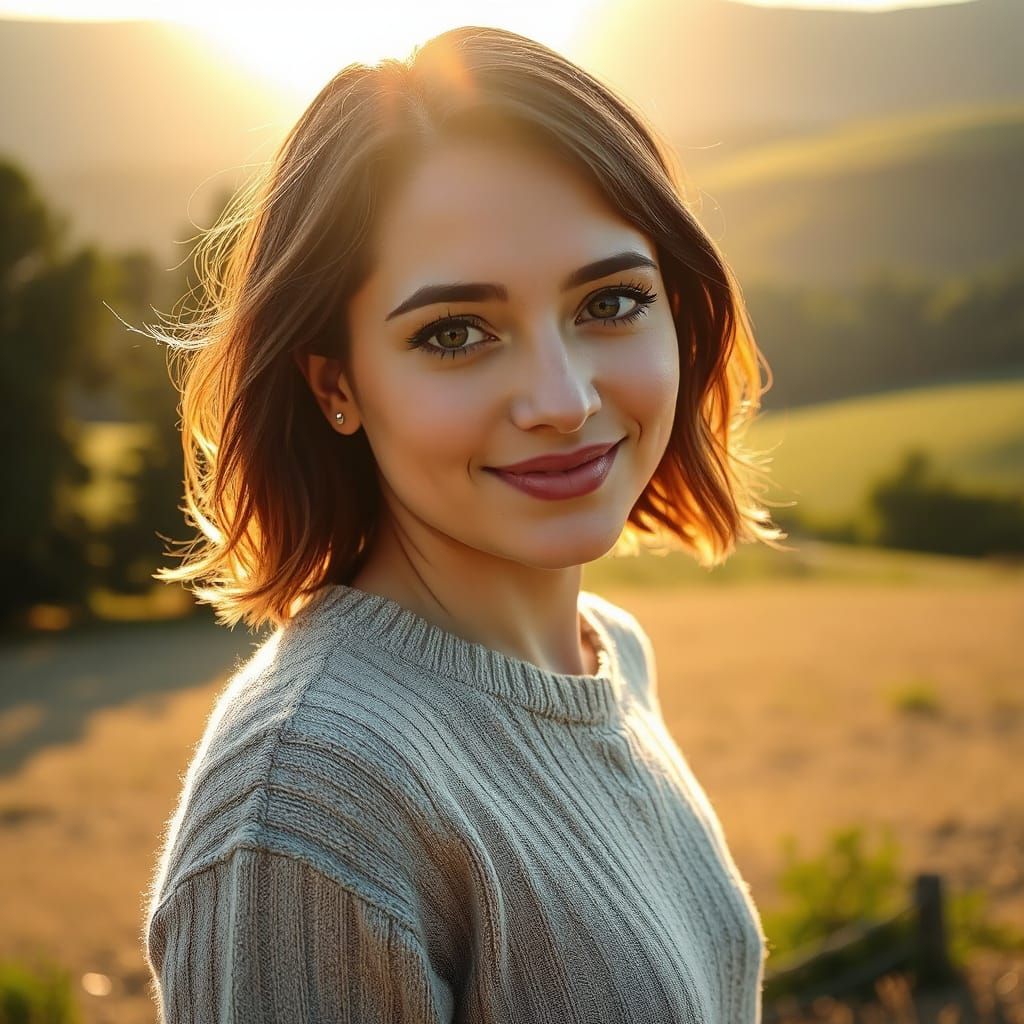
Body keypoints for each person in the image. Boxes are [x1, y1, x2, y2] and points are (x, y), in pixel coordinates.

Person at [139, 23, 786, 1024]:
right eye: (454, 332)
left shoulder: (607, 653)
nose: (561, 398)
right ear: (336, 384)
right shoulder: (307, 807)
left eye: (610, 301)